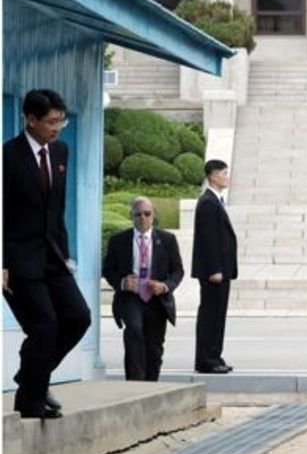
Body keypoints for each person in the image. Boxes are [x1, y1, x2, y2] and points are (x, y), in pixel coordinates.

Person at [2, 89, 91, 419]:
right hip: (18, 259)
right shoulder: (7, 157)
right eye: (51, 122)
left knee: (79, 317)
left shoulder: (60, 152)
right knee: (44, 326)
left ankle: (30, 377)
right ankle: (30, 400)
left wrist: (65, 256)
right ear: (30, 120)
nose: (57, 128)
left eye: (61, 121)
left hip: (53, 258)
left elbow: (57, 210)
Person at [102, 197, 184, 381]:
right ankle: (135, 382)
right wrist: (123, 283)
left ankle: (151, 384)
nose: (143, 218)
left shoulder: (167, 239)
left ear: (153, 215)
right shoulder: (119, 241)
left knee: (154, 347)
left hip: (157, 299)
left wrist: (164, 286)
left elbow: (178, 270)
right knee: (134, 330)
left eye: (147, 214)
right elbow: (108, 270)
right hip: (131, 297)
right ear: (132, 216)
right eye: (138, 214)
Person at [192, 159, 237, 374]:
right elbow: (208, 240)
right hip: (214, 272)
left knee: (218, 315)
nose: (227, 177)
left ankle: (214, 355)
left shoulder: (215, 200)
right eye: (223, 173)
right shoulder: (208, 202)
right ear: (212, 176)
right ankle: (206, 359)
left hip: (222, 270)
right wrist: (214, 269)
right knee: (210, 314)